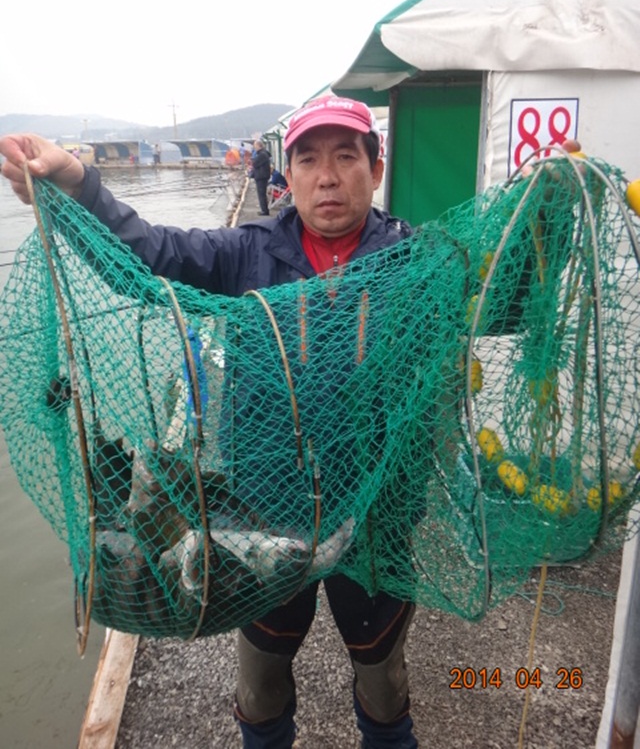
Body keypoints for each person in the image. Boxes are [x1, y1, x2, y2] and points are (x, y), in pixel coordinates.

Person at [0, 96, 418, 749]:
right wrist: (79, 186)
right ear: (289, 174)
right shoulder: (247, 253)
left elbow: (504, 303)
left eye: (346, 157)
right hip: (265, 513)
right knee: (261, 685)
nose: (328, 177)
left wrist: (548, 222)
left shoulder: (414, 261)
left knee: (383, 679)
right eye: (309, 160)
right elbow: (151, 253)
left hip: (377, 518)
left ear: (377, 168)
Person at [250, 138, 273, 217]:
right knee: (262, 194)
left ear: (259, 146)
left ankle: (264, 210)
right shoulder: (264, 153)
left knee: (261, 194)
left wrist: (253, 161)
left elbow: (255, 163)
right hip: (263, 176)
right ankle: (264, 209)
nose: (254, 147)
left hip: (261, 176)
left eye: (255, 146)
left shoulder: (262, 154)